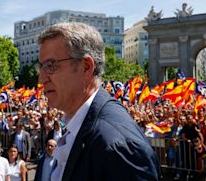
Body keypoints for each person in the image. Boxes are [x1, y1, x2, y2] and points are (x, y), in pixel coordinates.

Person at [37, 22, 159, 180]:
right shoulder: (81, 125)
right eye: (40, 67)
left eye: (50, 65)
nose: (41, 79)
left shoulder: (117, 146)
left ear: (86, 67)